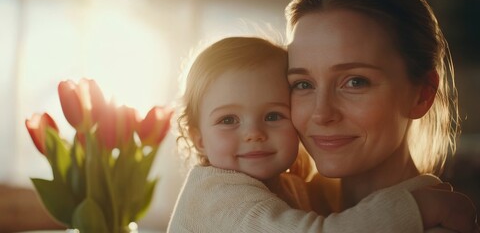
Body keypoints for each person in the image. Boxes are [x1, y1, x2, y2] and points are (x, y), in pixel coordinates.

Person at [166, 36, 476, 232]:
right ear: (198, 138)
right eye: (228, 119)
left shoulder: (286, 186)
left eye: (273, 115)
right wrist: (421, 207)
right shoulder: (216, 195)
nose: (254, 134)